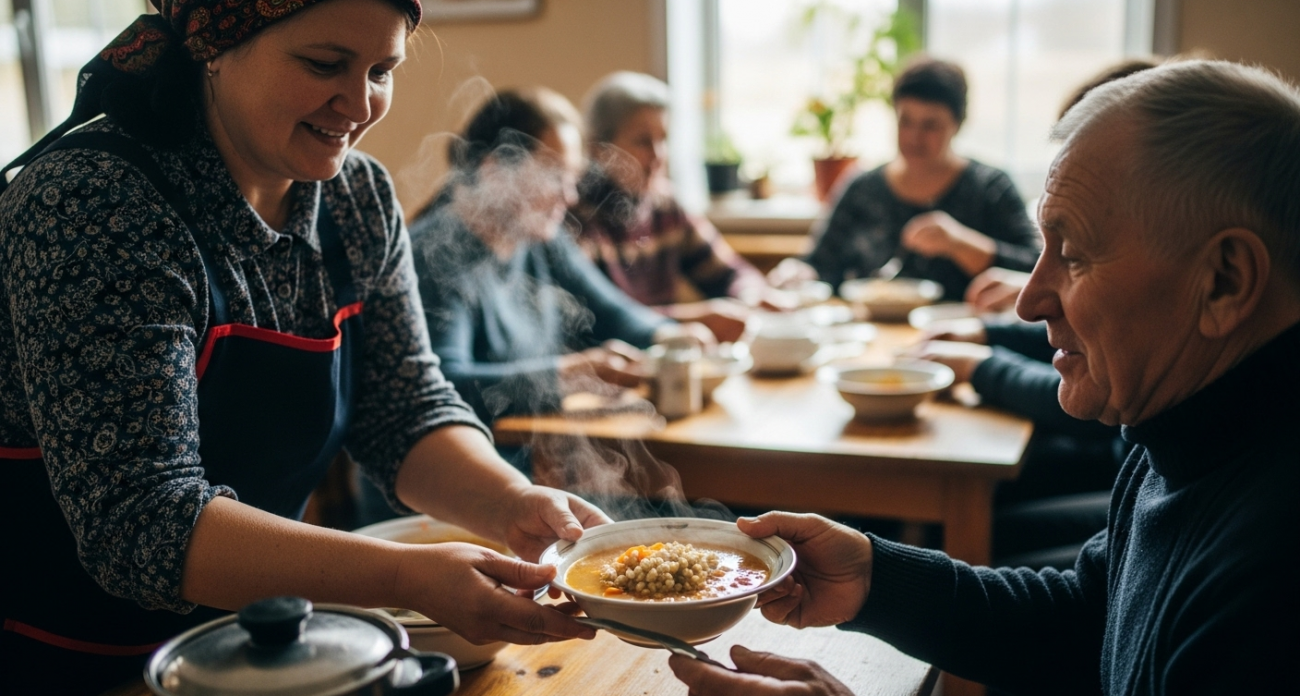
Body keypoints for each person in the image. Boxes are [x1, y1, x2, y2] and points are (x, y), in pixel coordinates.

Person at [0, 2, 606, 692]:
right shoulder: (93, 203)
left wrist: (511, 502)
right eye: (324, 65)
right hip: (79, 664)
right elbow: (143, 524)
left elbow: (403, 410)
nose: (360, 102)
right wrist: (407, 577)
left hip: (270, 648)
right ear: (213, 45)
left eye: (382, 70)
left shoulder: (357, 198)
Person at [670, 59, 1300, 695]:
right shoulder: (1179, 430)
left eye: (1073, 255)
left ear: (1225, 280)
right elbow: (1089, 616)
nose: (1029, 301)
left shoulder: (1273, 571)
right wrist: (875, 579)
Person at [410, 87, 705, 424]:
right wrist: (566, 374)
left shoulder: (538, 237)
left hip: (528, 446)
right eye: (554, 175)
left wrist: (668, 336)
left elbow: (609, 310)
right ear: (494, 172)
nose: (569, 195)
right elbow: (446, 386)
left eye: (573, 178)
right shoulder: (434, 256)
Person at [777, 58, 1040, 301]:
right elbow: (819, 264)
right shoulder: (862, 188)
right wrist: (797, 272)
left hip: (964, 337)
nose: (914, 137)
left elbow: (1035, 269)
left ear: (958, 124)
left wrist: (960, 243)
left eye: (930, 125)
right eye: (906, 122)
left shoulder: (991, 188)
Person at [571, 71, 782, 339]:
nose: (659, 156)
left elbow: (729, 271)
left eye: (664, 139)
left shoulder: (665, 204)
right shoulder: (575, 217)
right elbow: (603, 321)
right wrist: (691, 319)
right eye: (643, 141)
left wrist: (750, 296)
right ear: (598, 149)